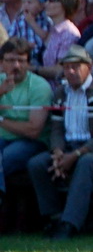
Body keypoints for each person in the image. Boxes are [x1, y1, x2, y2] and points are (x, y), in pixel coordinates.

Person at [29, 47, 93, 240]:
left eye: (76, 67)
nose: (70, 71)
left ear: (89, 67)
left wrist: (76, 155)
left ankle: (70, 223)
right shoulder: (60, 93)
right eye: (67, 67)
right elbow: (56, 129)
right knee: (37, 164)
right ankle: (53, 216)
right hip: (68, 147)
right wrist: (58, 153)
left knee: (85, 162)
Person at [0, 38, 52, 192]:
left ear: (29, 63)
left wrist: (1, 120)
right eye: (10, 60)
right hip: (3, 139)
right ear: (2, 63)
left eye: (21, 61)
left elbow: (33, 130)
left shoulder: (39, 86)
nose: (16, 66)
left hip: (31, 142)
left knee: (6, 157)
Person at [35, 0, 84, 81]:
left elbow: (61, 69)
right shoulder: (53, 30)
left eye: (52, 0)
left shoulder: (69, 33)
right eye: (46, 0)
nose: (46, 4)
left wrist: (34, 69)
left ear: (65, 4)